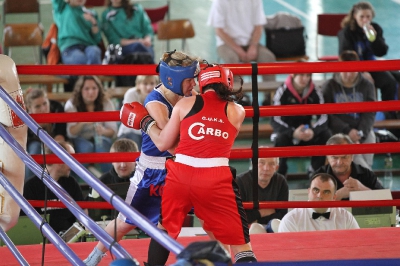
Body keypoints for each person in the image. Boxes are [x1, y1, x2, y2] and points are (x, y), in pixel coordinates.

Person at [121, 64, 258, 264]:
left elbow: (163, 143)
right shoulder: (237, 111)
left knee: (164, 229)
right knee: (240, 243)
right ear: (228, 84)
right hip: (215, 178)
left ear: (202, 83)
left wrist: (145, 123)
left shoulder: (184, 105)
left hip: (180, 175)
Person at [84, 50, 201, 266]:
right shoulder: (155, 102)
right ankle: (95, 255)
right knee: (127, 220)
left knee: (179, 220)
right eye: (188, 79)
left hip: (179, 171)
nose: (193, 84)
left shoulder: (190, 96)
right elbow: (170, 142)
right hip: (152, 172)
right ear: (172, 80)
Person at [338, 1, 398, 119]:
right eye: (362, 17)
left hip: (372, 65)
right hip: (354, 69)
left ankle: (390, 113)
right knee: (376, 82)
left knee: (392, 81)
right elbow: (345, 55)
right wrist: (361, 71)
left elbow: (382, 51)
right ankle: (370, 115)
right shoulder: (347, 33)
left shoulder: (375, 29)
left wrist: (374, 39)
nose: (365, 20)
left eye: (368, 17)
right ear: (355, 16)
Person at [322, 50, 376, 170]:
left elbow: (370, 112)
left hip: (361, 129)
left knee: (371, 137)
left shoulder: (367, 85)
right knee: (353, 152)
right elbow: (328, 115)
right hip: (339, 130)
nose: (349, 74)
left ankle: (365, 178)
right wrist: (347, 131)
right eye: (345, 70)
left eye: (352, 70)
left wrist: (360, 134)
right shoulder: (329, 86)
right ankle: (370, 180)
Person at [270, 71, 331, 177]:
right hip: (287, 133)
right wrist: (293, 133)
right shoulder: (282, 91)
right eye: (301, 75)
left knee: (326, 134)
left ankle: (315, 171)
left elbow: (324, 117)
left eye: (308, 75)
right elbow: (274, 119)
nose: (305, 78)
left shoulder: (315, 91)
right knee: (280, 138)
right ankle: (280, 174)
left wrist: (313, 131)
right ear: (293, 75)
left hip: (308, 132)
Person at [22, 141, 84, 234]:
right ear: (59, 161)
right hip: (41, 241)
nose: (73, 164)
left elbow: (84, 214)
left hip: (69, 242)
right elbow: (25, 225)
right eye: (70, 159)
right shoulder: (30, 187)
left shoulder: (72, 183)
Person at [207, 0, 276, 82]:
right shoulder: (220, 2)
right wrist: (238, 49)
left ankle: (270, 93)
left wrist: (253, 46)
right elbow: (219, 31)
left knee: (268, 57)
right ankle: (237, 93)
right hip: (226, 44)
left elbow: (258, 26)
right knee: (232, 59)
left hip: (250, 42)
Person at [64, 75, 117, 174]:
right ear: (80, 90)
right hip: (79, 138)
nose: (91, 92)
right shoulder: (71, 104)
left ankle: (110, 181)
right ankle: (75, 179)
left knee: (101, 147)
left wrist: (104, 131)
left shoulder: (106, 103)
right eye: (87, 89)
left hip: (100, 136)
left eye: (94, 88)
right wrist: (83, 122)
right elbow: (70, 133)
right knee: (86, 148)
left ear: (99, 89)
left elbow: (113, 131)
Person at [278, 173, 360, 232]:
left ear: (334, 197)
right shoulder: (290, 220)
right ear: (309, 192)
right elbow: (288, 254)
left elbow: (358, 247)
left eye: (326, 192)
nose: (320, 195)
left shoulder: (347, 218)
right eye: (316, 190)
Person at [313, 133, 383, 201]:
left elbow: (387, 202)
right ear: (327, 157)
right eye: (334, 158)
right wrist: (339, 195)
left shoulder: (366, 174)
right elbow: (312, 208)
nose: (339, 162)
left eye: (344, 157)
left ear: (352, 156)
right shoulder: (318, 176)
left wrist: (362, 188)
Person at [87, 138, 138, 221]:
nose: (123, 165)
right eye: (118, 160)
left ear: (136, 160)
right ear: (112, 160)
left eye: (127, 160)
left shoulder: (145, 180)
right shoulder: (101, 182)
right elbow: (95, 217)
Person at [236, 154, 288, 233]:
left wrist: (254, 217)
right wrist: (262, 212)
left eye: (271, 164)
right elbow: (238, 217)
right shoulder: (240, 181)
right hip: (245, 229)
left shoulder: (281, 181)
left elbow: (282, 215)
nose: (266, 168)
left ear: (276, 168)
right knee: (255, 229)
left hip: (271, 226)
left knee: (276, 224)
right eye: (261, 163)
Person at [24, 87, 67, 181]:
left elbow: (61, 135)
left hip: (55, 142)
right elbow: (26, 142)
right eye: (37, 106)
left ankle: (67, 184)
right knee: (34, 152)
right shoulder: (25, 116)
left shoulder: (57, 108)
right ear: (29, 108)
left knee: (66, 151)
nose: (43, 109)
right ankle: (30, 186)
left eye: (45, 103)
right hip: (35, 143)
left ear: (48, 101)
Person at [52, 0, 102, 65]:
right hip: (70, 47)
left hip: (88, 46)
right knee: (79, 59)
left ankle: (88, 73)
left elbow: (97, 39)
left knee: (95, 52)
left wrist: (93, 22)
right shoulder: (62, 8)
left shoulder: (92, 13)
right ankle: (88, 73)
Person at [117, 75, 159, 149]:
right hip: (129, 132)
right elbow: (129, 120)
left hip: (150, 132)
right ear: (138, 84)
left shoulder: (159, 96)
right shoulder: (131, 94)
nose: (149, 87)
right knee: (134, 139)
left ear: (156, 84)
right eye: (145, 83)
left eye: (152, 83)